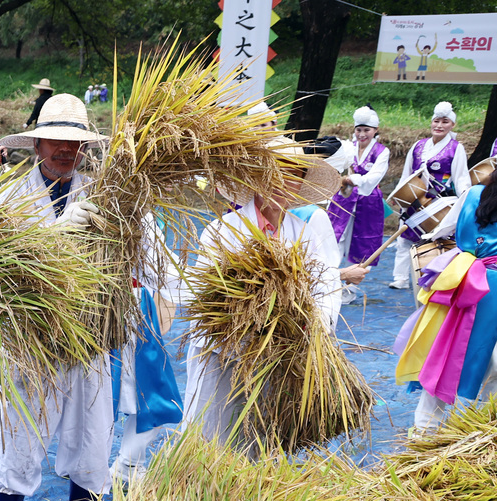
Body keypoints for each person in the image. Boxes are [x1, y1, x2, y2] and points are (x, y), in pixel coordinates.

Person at [0, 93, 115, 501]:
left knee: (91, 445)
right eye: (54, 141)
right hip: (28, 346)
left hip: (87, 341)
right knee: (18, 447)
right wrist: (58, 232)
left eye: (74, 143)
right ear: (37, 145)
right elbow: (4, 267)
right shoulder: (12, 201)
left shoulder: (100, 198)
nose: (65, 150)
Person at [183, 144, 354, 450]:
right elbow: (202, 295)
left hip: (278, 355)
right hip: (223, 353)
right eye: (275, 173)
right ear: (256, 179)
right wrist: (244, 315)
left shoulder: (304, 234)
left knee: (260, 438)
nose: (283, 183)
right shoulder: (222, 232)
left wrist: (314, 323)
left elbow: (326, 284)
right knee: (211, 436)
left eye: (293, 175)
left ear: (301, 184)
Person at [393, 178, 497, 433]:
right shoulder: (472, 194)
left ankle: (425, 431)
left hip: (458, 279)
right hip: (482, 286)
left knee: (443, 351)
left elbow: (441, 230)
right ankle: (480, 429)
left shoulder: (472, 194)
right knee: (485, 360)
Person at [390, 102, 470, 290]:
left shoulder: (455, 148)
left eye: (445, 122)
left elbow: (461, 178)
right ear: (431, 123)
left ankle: (431, 277)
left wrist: (465, 200)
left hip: (439, 202)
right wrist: (399, 195)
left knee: (436, 240)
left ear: (452, 125)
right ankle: (400, 277)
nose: (439, 126)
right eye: (436, 121)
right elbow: (406, 173)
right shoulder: (419, 146)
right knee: (404, 238)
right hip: (413, 198)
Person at [326, 106, 388, 282]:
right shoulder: (347, 147)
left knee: (362, 242)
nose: (362, 134)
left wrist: (354, 179)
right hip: (344, 197)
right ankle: (332, 279)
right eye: (359, 130)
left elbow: (375, 176)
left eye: (366, 130)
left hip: (368, 201)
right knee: (336, 236)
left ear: (375, 130)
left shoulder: (382, 151)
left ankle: (351, 285)